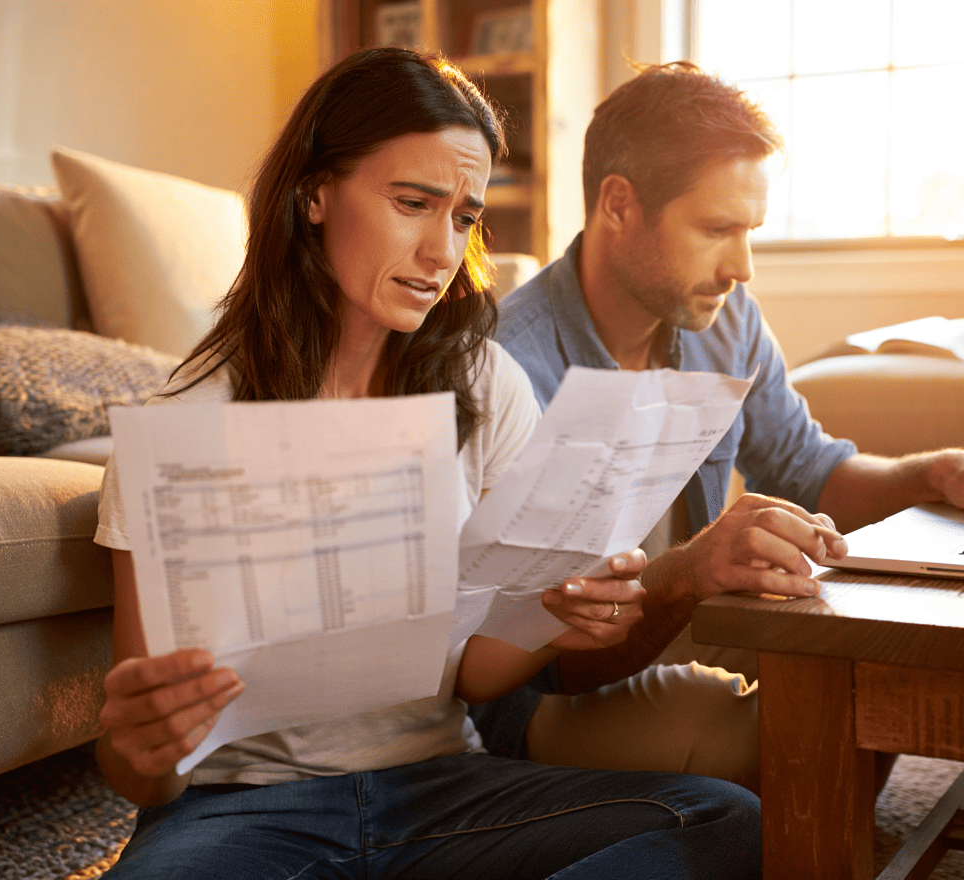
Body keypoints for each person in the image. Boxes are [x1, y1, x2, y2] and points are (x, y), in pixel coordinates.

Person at [92, 49, 762, 879]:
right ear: (314, 192)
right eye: (413, 203)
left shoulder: (482, 383)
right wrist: (137, 742)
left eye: (464, 217)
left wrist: (557, 613)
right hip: (243, 808)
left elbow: (477, 675)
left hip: (440, 789)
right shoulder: (182, 421)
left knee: (715, 817)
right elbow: (141, 774)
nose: (442, 250)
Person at [472, 60, 964, 794]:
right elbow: (540, 654)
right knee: (799, 748)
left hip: (688, 619)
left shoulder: (724, 317)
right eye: (717, 229)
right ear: (618, 205)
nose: (742, 266)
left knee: (885, 657)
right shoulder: (506, 368)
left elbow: (811, 468)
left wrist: (935, 472)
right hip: (548, 696)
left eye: (749, 231)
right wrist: (689, 570)